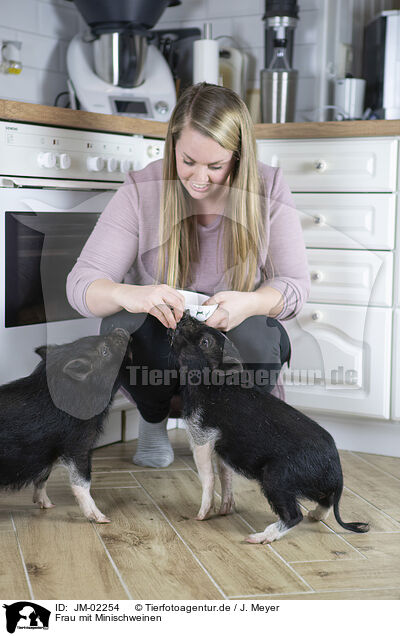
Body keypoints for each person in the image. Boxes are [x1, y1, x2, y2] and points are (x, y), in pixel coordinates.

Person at [67, 82, 310, 468]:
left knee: (261, 332)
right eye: (187, 161)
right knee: (122, 322)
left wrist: (249, 302)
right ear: (173, 146)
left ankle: (236, 430)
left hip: (229, 350)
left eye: (215, 166)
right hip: (163, 349)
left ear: (239, 156)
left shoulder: (268, 187)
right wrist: (130, 294)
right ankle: (151, 422)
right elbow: (82, 285)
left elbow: (295, 286)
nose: (199, 178)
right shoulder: (141, 189)